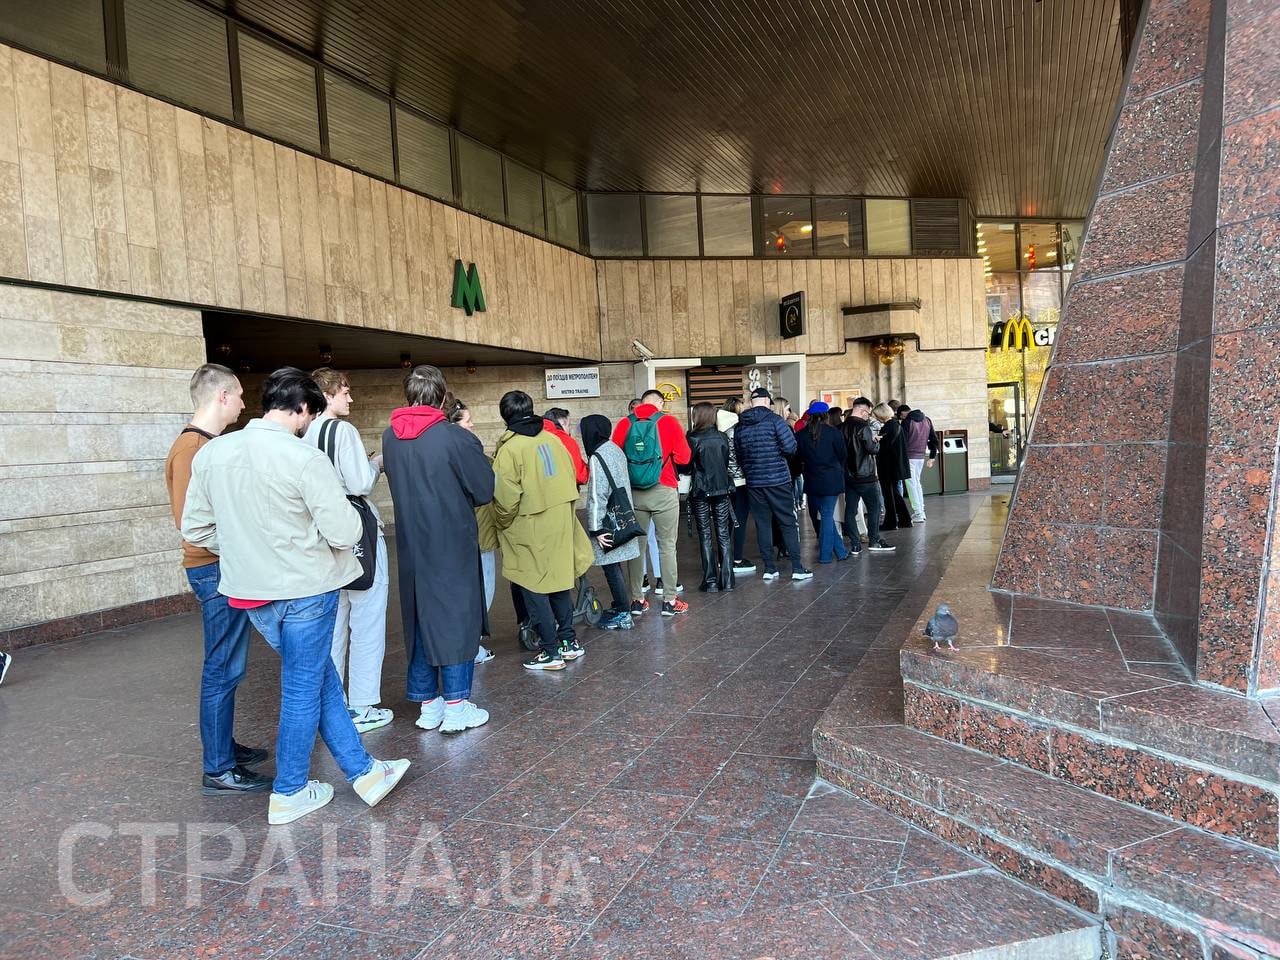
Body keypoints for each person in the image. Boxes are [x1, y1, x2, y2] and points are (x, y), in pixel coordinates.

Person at [182, 367, 409, 824]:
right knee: (304, 688)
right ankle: (289, 790)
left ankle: (365, 772)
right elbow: (344, 532)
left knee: (318, 677)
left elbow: (196, 529)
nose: (308, 423)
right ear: (302, 408)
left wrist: (249, 547)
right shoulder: (304, 458)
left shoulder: (214, 453)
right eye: (309, 415)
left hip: (251, 593)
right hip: (306, 589)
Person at [164, 363, 270, 796]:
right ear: (222, 396)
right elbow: (191, 524)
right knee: (223, 667)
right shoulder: (192, 449)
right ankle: (219, 767)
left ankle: (223, 747)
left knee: (228, 665)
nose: (244, 403)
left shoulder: (206, 446)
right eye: (240, 395)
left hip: (221, 567)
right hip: (214, 569)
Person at [384, 366, 496, 735]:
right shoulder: (454, 437)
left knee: (419, 618)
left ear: (408, 396)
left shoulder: (390, 437)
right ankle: (456, 707)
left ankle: (428, 704)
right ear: (443, 396)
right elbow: (484, 489)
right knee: (456, 619)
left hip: (411, 543)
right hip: (451, 540)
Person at [302, 368, 392, 735]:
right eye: (344, 392)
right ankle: (362, 704)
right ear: (327, 395)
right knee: (367, 615)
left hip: (322, 533)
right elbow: (360, 483)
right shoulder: (342, 431)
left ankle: (334, 703)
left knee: (333, 622)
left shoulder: (303, 432)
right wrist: (375, 463)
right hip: (356, 528)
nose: (350, 398)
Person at [493, 390, 595, 669]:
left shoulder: (510, 449)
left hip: (529, 526)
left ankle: (550, 652)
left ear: (505, 416)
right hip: (560, 522)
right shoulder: (553, 439)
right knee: (560, 582)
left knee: (533, 587)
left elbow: (505, 499)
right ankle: (569, 642)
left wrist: (502, 523)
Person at [612, 388, 692, 616]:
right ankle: (669, 601)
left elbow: (616, 457)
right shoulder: (669, 422)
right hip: (664, 489)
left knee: (637, 546)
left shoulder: (625, 424)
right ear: (660, 404)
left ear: (640, 404)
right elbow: (684, 458)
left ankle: (637, 600)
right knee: (667, 545)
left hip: (635, 493)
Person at [735, 388, 813, 581]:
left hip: (754, 481)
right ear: (767, 401)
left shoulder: (740, 425)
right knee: (787, 522)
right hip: (778, 479)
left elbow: (739, 454)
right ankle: (797, 567)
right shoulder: (775, 420)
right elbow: (790, 447)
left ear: (752, 402)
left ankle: (769, 568)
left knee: (762, 524)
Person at [581, 413, 640, 629]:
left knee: (610, 565)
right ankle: (621, 605)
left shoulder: (597, 456)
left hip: (607, 519)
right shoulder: (615, 449)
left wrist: (596, 528)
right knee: (616, 563)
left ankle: (624, 613)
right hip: (623, 515)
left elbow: (597, 495)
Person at [448, 399, 495, 664]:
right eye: (468, 420)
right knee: (482, 590)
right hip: (478, 534)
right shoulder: (471, 453)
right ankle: (472, 646)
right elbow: (486, 491)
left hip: (452, 537)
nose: (473, 425)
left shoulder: (437, 454)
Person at [684, 402, 735, 592]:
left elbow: (686, 465)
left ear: (697, 416)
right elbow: (725, 462)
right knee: (723, 534)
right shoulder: (722, 436)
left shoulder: (692, 438)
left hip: (701, 490)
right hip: (722, 489)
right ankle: (728, 580)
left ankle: (711, 581)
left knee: (705, 535)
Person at [796, 401, 850, 564]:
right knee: (827, 515)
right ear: (826, 415)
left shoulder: (801, 435)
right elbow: (843, 455)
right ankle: (825, 556)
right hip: (832, 479)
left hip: (812, 479)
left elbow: (798, 458)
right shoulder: (833, 432)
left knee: (825, 515)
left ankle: (840, 551)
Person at [842, 398, 895, 554]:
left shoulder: (840, 427)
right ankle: (874, 541)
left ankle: (855, 544)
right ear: (862, 410)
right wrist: (876, 441)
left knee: (850, 510)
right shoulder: (863, 427)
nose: (869, 416)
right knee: (874, 508)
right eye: (868, 413)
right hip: (866, 476)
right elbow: (872, 449)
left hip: (848, 476)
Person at [718, 397, 755, 575]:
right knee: (740, 519)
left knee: (724, 521)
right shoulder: (739, 430)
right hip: (740, 482)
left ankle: (723, 559)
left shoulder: (718, 429)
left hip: (723, 482)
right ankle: (737, 559)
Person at [873, 402, 913, 531]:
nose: (876, 417)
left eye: (877, 415)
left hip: (888, 466)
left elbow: (884, 447)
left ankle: (891, 522)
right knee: (895, 494)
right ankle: (905, 520)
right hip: (895, 465)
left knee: (889, 495)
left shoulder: (889, 427)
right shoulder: (895, 425)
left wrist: (876, 441)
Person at [901, 404, 938, 523]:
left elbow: (903, 442)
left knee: (911, 485)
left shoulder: (907, 422)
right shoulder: (927, 420)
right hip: (921, 456)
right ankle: (921, 511)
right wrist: (932, 456)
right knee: (917, 483)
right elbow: (934, 439)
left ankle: (918, 513)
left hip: (909, 457)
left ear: (903, 414)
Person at [543, 407, 590, 485]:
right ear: (562, 424)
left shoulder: (537, 436)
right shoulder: (566, 441)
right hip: (565, 488)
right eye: (569, 425)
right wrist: (588, 470)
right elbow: (580, 476)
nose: (570, 429)